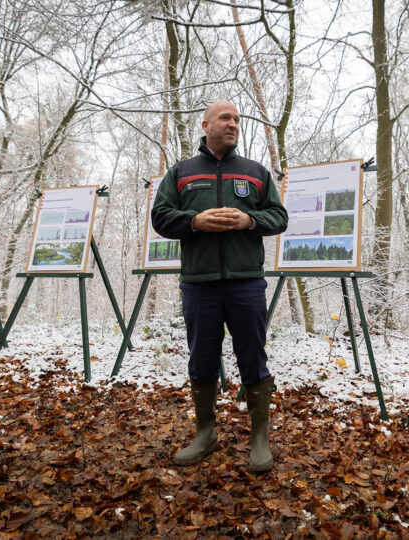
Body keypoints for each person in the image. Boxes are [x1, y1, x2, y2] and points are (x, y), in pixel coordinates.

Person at [151, 100, 288, 473]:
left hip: (246, 284)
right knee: (202, 359)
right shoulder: (182, 172)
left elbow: (279, 217)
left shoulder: (255, 172)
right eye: (226, 118)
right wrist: (195, 220)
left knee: (252, 357)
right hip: (199, 285)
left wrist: (248, 220)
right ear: (206, 124)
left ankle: (259, 438)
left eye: (237, 120)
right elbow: (160, 217)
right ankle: (205, 434)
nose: (233, 124)